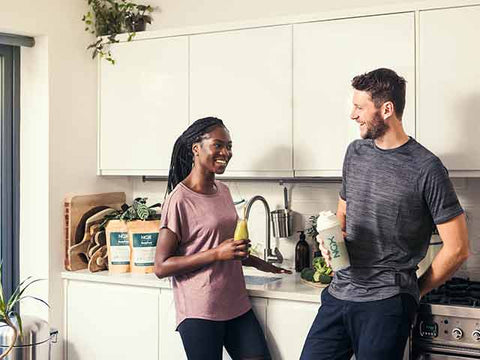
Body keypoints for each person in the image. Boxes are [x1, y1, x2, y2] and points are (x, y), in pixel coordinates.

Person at [300, 68, 469, 360]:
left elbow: (458, 249)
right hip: (340, 293)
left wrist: (416, 290)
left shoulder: (426, 168)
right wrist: (333, 241)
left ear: (387, 109)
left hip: (386, 302)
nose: (353, 115)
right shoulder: (355, 152)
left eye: (359, 107)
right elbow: (343, 211)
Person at [154, 117, 290, 360]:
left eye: (229, 146)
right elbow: (161, 266)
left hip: (236, 303)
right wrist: (216, 254)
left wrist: (260, 263)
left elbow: (226, 246)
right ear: (196, 148)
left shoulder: (223, 191)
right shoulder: (179, 199)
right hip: (200, 310)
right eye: (218, 145)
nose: (226, 153)